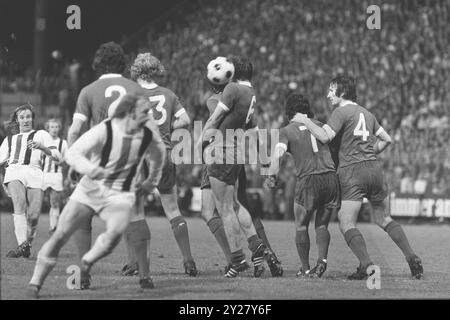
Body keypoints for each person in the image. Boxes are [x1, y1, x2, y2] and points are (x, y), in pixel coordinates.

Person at [27, 94, 166, 298]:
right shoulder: (105, 129)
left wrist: (151, 182)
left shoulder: (147, 134)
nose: (149, 115)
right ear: (129, 112)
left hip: (120, 194)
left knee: (114, 235)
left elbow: (159, 156)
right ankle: (35, 283)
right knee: (60, 235)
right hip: (90, 189)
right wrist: (93, 170)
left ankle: (86, 262)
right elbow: (73, 153)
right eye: (145, 111)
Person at [293, 74, 423, 280]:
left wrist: (304, 120)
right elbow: (387, 139)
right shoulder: (367, 113)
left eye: (331, 90)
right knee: (384, 218)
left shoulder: (340, 112)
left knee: (346, 222)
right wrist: (371, 152)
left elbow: (325, 136)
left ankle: (366, 265)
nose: (328, 95)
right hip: (375, 169)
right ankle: (412, 257)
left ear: (342, 91)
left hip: (353, 171)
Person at [67, 41, 142, 288]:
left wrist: (73, 160)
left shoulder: (88, 90)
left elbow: (76, 129)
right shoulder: (135, 88)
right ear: (123, 63)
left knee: (82, 215)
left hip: (96, 159)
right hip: (127, 161)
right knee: (131, 213)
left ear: (98, 63)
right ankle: (139, 269)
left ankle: (83, 271)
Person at [201, 57, 283, 277]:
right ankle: (258, 247)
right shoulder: (250, 96)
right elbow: (255, 134)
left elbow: (214, 119)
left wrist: (199, 143)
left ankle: (237, 260)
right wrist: (266, 165)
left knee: (223, 208)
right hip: (237, 153)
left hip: (221, 150)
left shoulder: (231, 92)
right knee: (236, 205)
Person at [120, 52, 197, 277]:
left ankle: (135, 263)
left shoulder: (132, 93)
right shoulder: (168, 94)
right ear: (155, 70)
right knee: (173, 209)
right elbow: (186, 120)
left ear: (136, 71)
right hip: (164, 154)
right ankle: (188, 260)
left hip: (139, 155)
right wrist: (168, 128)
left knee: (134, 210)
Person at [265, 93, 340, 278]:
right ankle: (322, 261)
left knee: (301, 225)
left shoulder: (286, 130)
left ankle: (305, 269)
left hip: (309, 180)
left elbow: (278, 154)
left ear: (288, 111)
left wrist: (271, 175)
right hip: (330, 177)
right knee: (322, 225)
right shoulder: (321, 125)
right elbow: (336, 151)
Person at [0, 104, 61, 258]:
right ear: (17, 120)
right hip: (14, 170)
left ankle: (27, 244)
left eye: (28, 116)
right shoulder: (9, 140)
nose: (25, 120)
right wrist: (2, 181)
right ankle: (22, 245)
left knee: (33, 216)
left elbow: (57, 157)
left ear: (32, 119)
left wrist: (43, 148)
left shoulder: (41, 134)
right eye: (22, 117)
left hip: (35, 172)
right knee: (19, 203)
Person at [42, 118, 68, 234]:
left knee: (55, 202)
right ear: (47, 128)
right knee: (35, 201)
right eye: (52, 127)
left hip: (56, 175)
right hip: (42, 175)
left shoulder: (63, 143)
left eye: (56, 127)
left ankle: (53, 227)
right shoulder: (42, 142)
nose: (54, 129)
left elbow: (67, 160)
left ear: (59, 128)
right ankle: (30, 224)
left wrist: (60, 162)